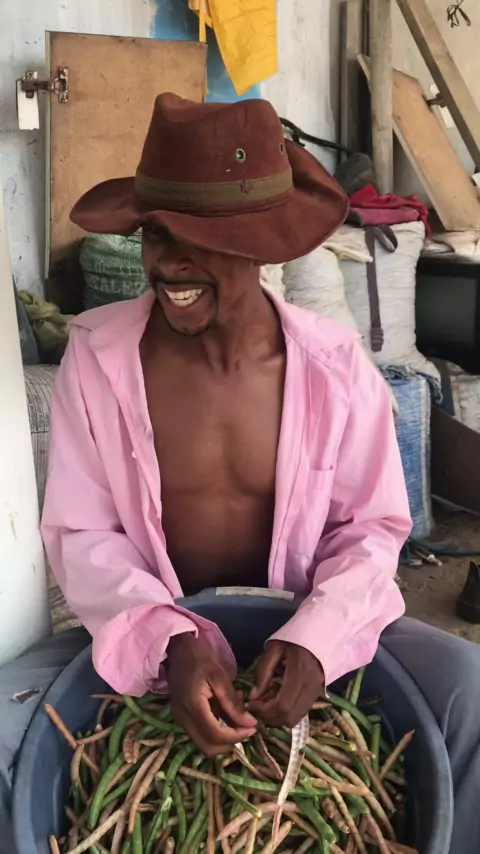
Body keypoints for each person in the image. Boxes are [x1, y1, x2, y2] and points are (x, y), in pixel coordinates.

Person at [1, 94, 480, 854]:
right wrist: (170, 642)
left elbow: (371, 527)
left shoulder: (333, 368)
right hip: (156, 632)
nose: (170, 263)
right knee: (4, 727)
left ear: (262, 246)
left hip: (307, 627)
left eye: (201, 238)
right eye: (157, 232)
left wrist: (318, 637)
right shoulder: (97, 360)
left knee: (470, 694)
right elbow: (84, 533)